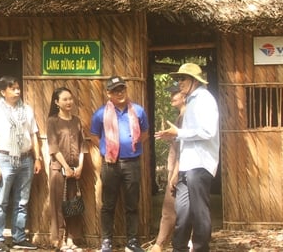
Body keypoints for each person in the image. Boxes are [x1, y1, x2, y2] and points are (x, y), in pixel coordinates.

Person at [155, 63, 220, 252]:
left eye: (182, 79)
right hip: (187, 165)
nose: (179, 82)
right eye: (178, 79)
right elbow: (186, 138)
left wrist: (179, 133)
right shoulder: (191, 100)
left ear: (193, 80)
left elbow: (208, 131)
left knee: (199, 212)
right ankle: (179, 248)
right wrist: (176, 135)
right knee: (182, 211)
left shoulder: (205, 99)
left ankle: (200, 248)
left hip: (200, 164)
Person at [90, 76, 150, 252]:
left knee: (132, 204)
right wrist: (107, 150)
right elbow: (94, 136)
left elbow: (145, 133)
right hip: (110, 165)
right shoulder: (100, 113)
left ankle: (132, 242)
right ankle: (106, 241)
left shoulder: (138, 111)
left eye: (122, 88)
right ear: (108, 93)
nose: (120, 92)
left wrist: (132, 147)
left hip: (132, 163)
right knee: (108, 205)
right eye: (115, 90)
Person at [0, 76, 42, 252]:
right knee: (0, 201)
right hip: (4, 159)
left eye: (18, 88)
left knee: (22, 201)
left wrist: (37, 157)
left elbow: (33, 134)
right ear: (3, 92)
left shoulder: (27, 110)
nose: (17, 91)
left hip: (26, 159)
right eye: (13, 88)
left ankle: (19, 238)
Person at [46, 87, 89, 252]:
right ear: (57, 102)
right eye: (64, 99)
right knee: (58, 205)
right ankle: (59, 241)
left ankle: (72, 238)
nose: (68, 102)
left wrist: (80, 166)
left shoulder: (76, 120)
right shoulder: (52, 121)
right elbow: (53, 148)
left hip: (75, 170)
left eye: (70, 98)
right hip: (58, 169)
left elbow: (83, 145)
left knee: (73, 205)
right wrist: (66, 167)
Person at [151, 82, 186, 252]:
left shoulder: (186, 116)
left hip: (180, 171)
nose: (172, 97)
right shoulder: (181, 116)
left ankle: (159, 245)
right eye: (171, 93)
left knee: (169, 208)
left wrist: (175, 173)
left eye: (175, 93)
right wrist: (170, 137)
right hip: (177, 169)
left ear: (184, 95)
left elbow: (185, 150)